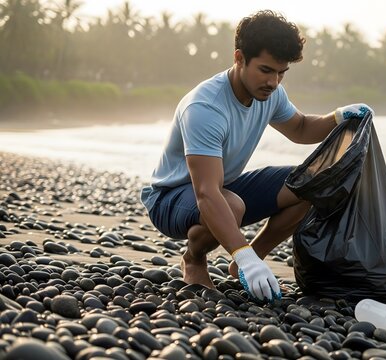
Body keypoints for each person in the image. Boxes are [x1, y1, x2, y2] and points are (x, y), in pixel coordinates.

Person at [140, 10, 372, 302]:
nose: (273, 82)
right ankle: (195, 259)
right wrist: (242, 250)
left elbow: (300, 128)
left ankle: (246, 263)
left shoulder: (270, 93)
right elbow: (206, 193)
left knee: (310, 182)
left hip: (222, 188)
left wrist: (339, 117)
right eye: (265, 70)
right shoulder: (205, 108)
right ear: (239, 58)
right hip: (170, 199)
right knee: (231, 204)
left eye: (281, 73)